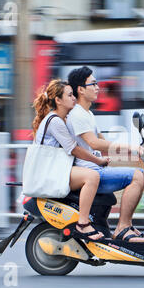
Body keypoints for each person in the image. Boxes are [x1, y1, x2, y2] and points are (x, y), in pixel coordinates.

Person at [67, 66, 144, 243]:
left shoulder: (87, 113)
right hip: (91, 172)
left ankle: (126, 225)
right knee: (137, 176)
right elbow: (94, 142)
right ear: (81, 89)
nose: (98, 88)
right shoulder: (77, 115)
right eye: (93, 84)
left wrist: (132, 149)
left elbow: (103, 142)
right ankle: (123, 228)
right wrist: (130, 148)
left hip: (97, 168)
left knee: (140, 174)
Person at [32, 79, 110, 241]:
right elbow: (74, 149)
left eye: (73, 95)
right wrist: (98, 161)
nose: (74, 98)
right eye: (69, 95)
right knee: (92, 176)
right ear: (58, 100)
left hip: (56, 170)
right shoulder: (55, 121)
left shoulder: (62, 120)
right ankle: (82, 223)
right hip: (50, 174)